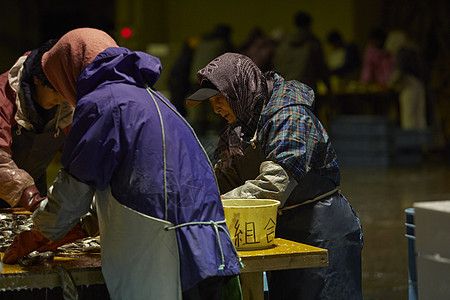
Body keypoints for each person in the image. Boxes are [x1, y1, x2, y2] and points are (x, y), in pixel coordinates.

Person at [3, 28, 242, 300]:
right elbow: (136, 178)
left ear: (69, 72)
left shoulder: (101, 103)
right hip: (213, 252)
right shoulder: (156, 99)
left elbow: (74, 190)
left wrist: (39, 232)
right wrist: (80, 226)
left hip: (164, 258)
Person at [186, 53, 363, 299]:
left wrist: (217, 204)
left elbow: (273, 185)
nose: (215, 109)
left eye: (219, 99)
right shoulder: (239, 130)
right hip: (279, 232)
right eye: (211, 102)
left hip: (322, 231)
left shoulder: (291, 116)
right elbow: (221, 181)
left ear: (239, 91)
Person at [0, 40, 90, 250]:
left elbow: (80, 151)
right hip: (23, 194)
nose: (60, 99)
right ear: (37, 80)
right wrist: (31, 199)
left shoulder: (66, 105)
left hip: (34, 195)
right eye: (55, 92)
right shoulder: (4, 96)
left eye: (64, 93)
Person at [273, 11, 331, 95]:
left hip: (283, 89)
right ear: (309, 24)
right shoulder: (312, 44)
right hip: (304, 90)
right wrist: (329, 88)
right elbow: (322, 68)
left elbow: (276, 66)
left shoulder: (283, 44)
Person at [385, 30, 427, 130]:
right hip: (418, 85)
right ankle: (421, 142)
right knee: (419, 115)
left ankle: (411, 142)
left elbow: (400, 71)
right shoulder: (412, 51)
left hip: (409, 87)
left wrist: (390, 84)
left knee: (409, 116)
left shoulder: (402, 53)